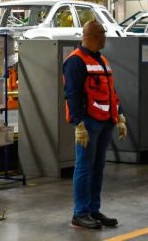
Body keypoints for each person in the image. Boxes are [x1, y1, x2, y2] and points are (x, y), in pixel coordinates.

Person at [63, 20, 127, 230]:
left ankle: (93, 209)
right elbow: (71, 95)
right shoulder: (75, 61)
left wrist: (120, 116)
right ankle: (80, 213)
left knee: (98, 167)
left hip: (106, 121)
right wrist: (78, 124)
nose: (105, 36)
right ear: (92, 35)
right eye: (102, 33)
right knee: (84, 167)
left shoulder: (102, 60)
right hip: (89, 123)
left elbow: (111, 92)